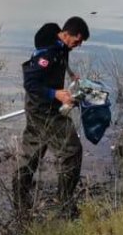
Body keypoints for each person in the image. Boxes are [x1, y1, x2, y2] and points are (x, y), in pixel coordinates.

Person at [12, 16, 90, 219]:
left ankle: (19, 203)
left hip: (40, 107)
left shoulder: (61, 46)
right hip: (43, 110)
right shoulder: (46, 53)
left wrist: (71, 75)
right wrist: (55, 94)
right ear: (67, 34)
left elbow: (61, 59)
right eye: (77, 41)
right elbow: (30, 83)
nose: (77, 46)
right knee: (72, 150)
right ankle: (64, 202)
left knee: (32, 152)